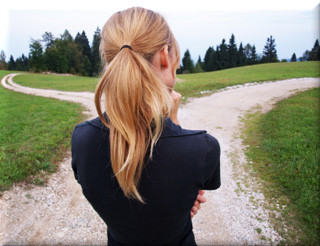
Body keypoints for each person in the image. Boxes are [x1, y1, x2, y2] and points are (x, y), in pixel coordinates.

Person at [71, 7, 220, 246]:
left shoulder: (82, 139)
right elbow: (187, 186)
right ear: (164, 55)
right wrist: (172, 122)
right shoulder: (203, 148)